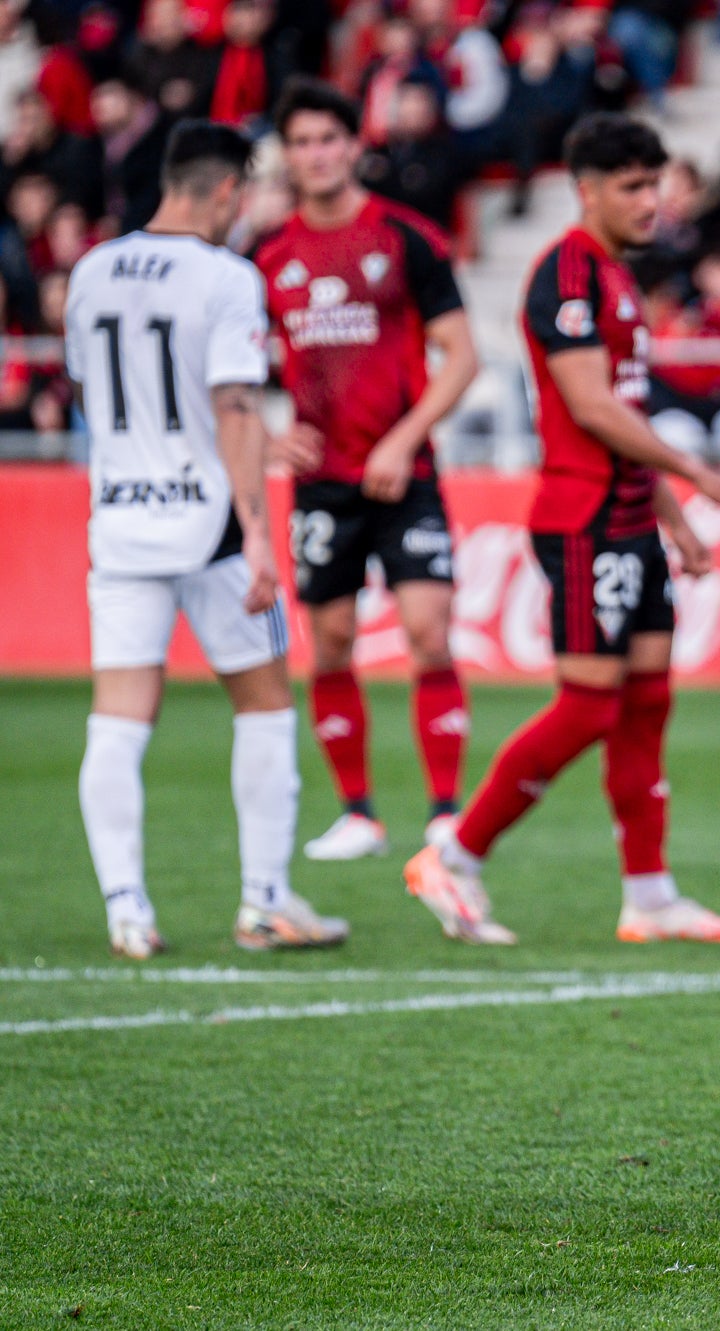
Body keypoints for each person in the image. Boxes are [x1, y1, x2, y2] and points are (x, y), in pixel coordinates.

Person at [403, 113, 720, 945]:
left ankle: (650, 892)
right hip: (583, 520)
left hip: (632, 521)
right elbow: (592, 408)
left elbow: (620, 410)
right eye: (632, 185)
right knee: (589, 706)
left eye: (654, 183)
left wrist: (671, 517)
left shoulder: (615, 275)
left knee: (646, 706)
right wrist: (697, 473)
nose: (649, 200)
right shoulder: (565, 274)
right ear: (586, 189)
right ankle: (453, 852)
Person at [68, 120, 345, 957]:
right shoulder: (227, 276)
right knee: (262, 705)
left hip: (119, 519)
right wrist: (260, 532)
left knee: (117, 722)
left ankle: (127, 908)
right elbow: (233, 407)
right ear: (227, 189)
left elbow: (90, 390)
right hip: (212, 526)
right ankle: (264, 901)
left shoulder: (89, 270)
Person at [254, 78, 478, 862]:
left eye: (328, 139)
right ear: (287, 155)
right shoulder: (268, 257)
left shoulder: (405, 238)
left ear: (354, 146)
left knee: (428, 633)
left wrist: (402, 437)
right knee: (335, 640)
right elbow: (232, 375)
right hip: (321, 482)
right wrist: (267, 435)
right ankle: (358, 811)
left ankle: (446, 811)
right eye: (302, 141)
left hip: (403, 471)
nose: (316, 154)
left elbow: (463, 356)